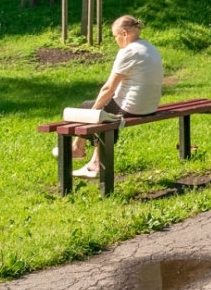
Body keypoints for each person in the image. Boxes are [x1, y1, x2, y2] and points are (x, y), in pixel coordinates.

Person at [59, 15, 164, 178]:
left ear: (124, 34)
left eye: (115, 36)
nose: (115, 40)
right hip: (149, 106)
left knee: (91, 109)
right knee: (102, 111)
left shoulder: (128, 51)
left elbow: (108, 88)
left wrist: (92, 112)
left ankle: (89, 159)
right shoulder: (149, 47)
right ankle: (82, 153)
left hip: (131, 107)